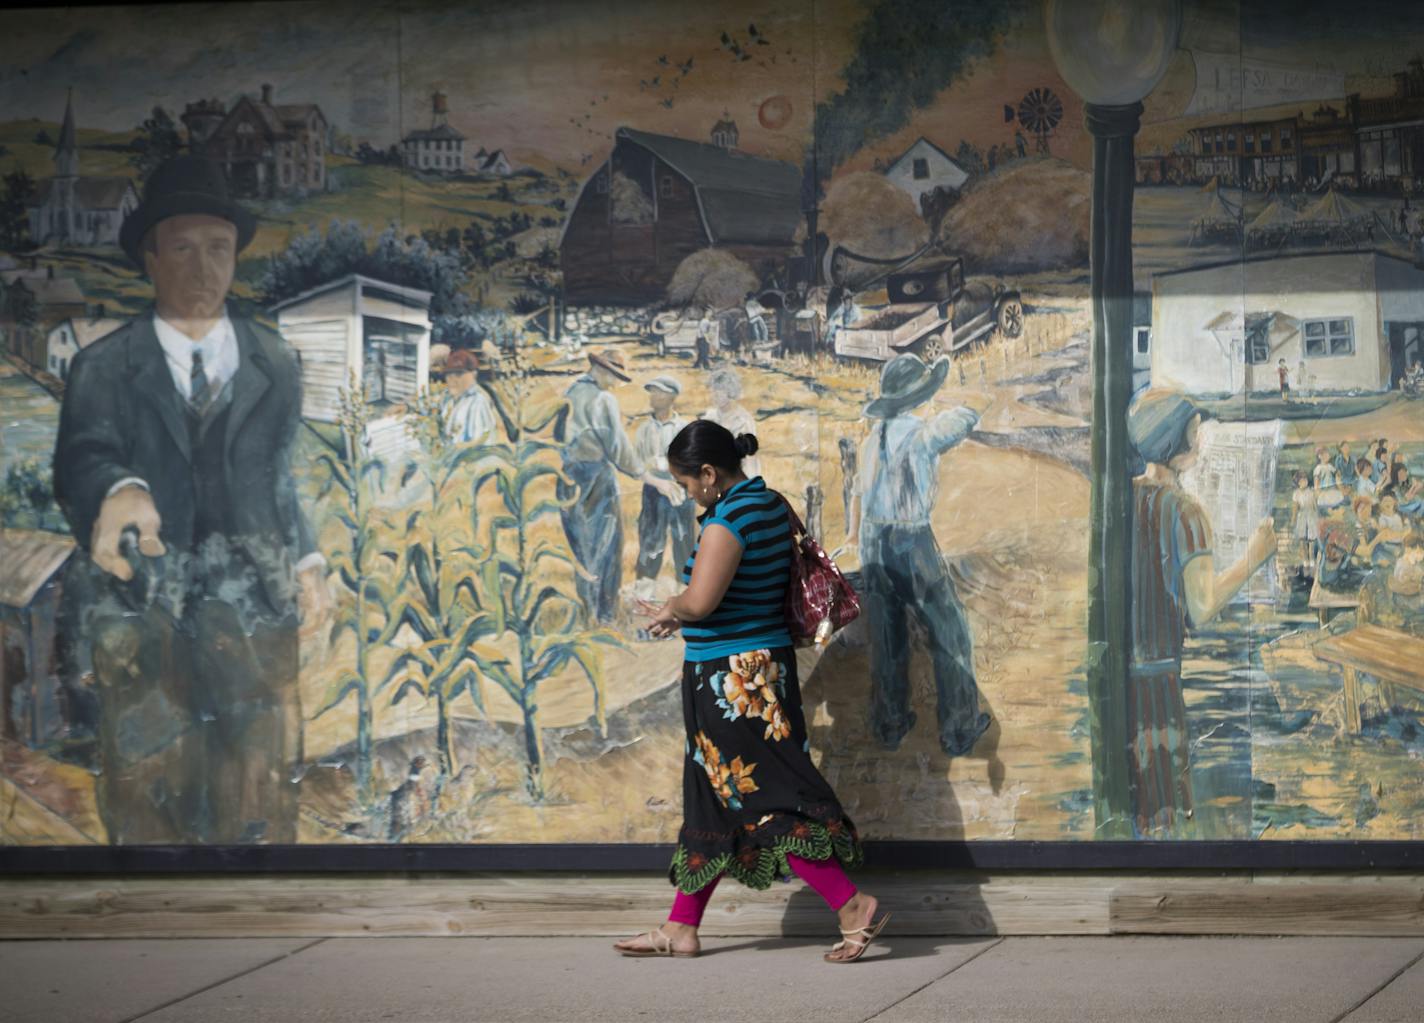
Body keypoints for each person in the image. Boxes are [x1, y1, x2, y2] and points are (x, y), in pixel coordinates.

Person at [53, 155, 330, 844]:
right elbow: (81, 460)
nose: (203, 268)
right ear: (150, 257)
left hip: (252, 614)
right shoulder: (104, 367)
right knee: (148, 796)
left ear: (236, 256)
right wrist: (121, 491)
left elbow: (277, 476)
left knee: (258, 795)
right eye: (181, 248)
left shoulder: (274, 361)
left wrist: (309, 560)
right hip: (141, 610)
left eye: (218, 249)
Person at [617, 420, 886, 964]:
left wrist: (674, 608)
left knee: (765, 800)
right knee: (713, 800)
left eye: (687, 482)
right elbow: (739, 592)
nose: (686, 491)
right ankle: (682, 927)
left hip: (730, 683)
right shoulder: (766, 502)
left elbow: (701, 602)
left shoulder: (728, 521)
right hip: (760, 670)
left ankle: (851, 905)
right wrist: (687, 613)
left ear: (710, 473)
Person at [1125, 389, 1276, 837]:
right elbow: (1203, 606)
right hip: (1159, 680)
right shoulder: (1186, 513)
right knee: (1161, 804)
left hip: (1124, 674)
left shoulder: (1123, 500)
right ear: (1178, 444)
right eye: (1195, 431)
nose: (1201, 440)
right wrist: (1254, 557)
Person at [850, 354, 990, 757]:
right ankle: (958, 728)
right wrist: (959, 397)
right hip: (911, 542)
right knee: (950, 633)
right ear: (918, 396)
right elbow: (966, 416)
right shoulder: (924, 433)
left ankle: (890, 722)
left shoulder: (868, 442)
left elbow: (859, 494)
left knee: (888, 634)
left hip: (873, 541)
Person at [556, 350, 679, 623]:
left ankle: (588, 614)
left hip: (567, 478)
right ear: (601, 370)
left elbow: (557, 434)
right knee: (607, 548)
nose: (616, 383)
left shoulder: (571, 391)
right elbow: (619, 450)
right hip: (596, 477)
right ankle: (605, 617)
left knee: (582, 549)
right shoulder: (603, 399)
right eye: (615, 376)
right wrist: (651, 478)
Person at [632, 375, 697, 602]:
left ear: (671, 397)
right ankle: (644, 596)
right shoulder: (643, 430)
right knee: (650, 540)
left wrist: (674, 474)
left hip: (681, 491)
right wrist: (656, 479)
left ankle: (686, 596)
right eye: (651, 392)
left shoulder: (684, 428)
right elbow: (638, 466)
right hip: (653, 492)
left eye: (658, 392)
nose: (653, 397)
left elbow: (692, 462)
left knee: (684, 541)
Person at [701, 367, 760, 478]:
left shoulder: (743, 420)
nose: (714, 397)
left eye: (718, 393)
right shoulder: (709, 417)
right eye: (712, 392)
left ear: (730, 393)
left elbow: (748, 459)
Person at [441, 347, 495, 444]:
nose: (452, 379)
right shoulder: (447, 400)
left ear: (473, 375)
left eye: (459, 374)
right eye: (449, 374)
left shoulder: (478, 402)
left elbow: (481, 444)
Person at [1290, 470, 1319, 576]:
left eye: (1305, 479)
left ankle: (1312, 562)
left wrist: (1318, 517)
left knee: (1311, 541)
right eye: (1302, 480)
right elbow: (1295, 507)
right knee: (1302, 541)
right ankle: (1305, 563)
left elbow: (1315, 505)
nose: (1304, 481)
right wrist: (1293, 519)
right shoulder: (1296, 493)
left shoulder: (1311, 491)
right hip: (1302, 517)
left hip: (1311, 516)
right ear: (1298, 483)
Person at [693, 305, 714, 370]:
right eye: (709, 312)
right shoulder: (705, 321)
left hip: (702, 339)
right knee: (704, 353)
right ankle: (705, 365)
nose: (711, 313)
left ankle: (697, 365)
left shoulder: (706, 321)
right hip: (702, 339)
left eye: (711, 312)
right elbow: (703, 331)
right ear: (706, 313)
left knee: (703, 353)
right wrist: (707, 340)